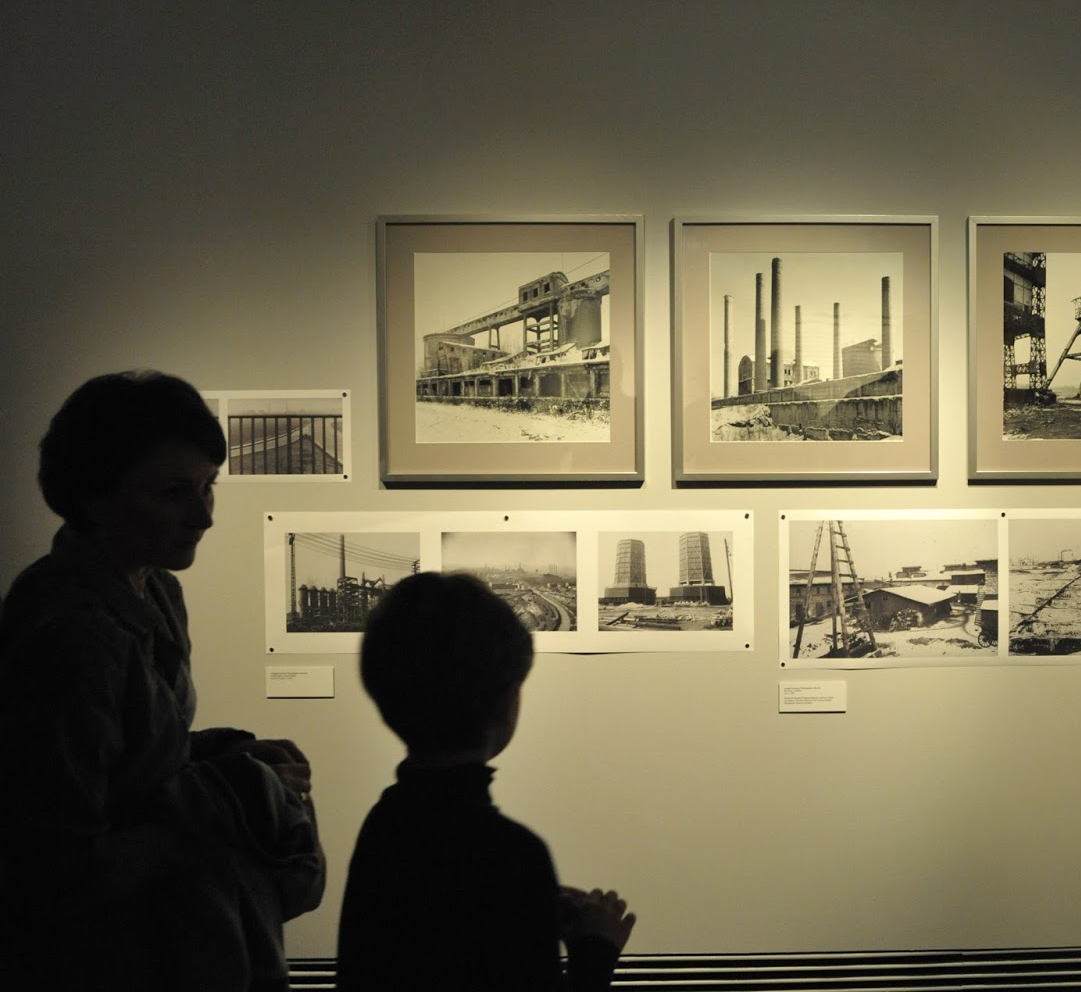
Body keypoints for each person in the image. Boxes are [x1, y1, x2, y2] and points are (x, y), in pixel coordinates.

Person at [0, 371, 325, 991]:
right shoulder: (71, 632)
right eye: (175, 491)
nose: (203, 516)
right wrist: (229, 795)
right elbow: (53, 867)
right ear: (95, 497)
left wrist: (226, 757)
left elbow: (129, 765)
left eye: (208, 486)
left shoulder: (156, 590)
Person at [338, 571, 636, 991]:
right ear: (506, 703)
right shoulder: (515, 855)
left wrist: (526, 903)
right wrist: (595, 952)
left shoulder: (384, 825)